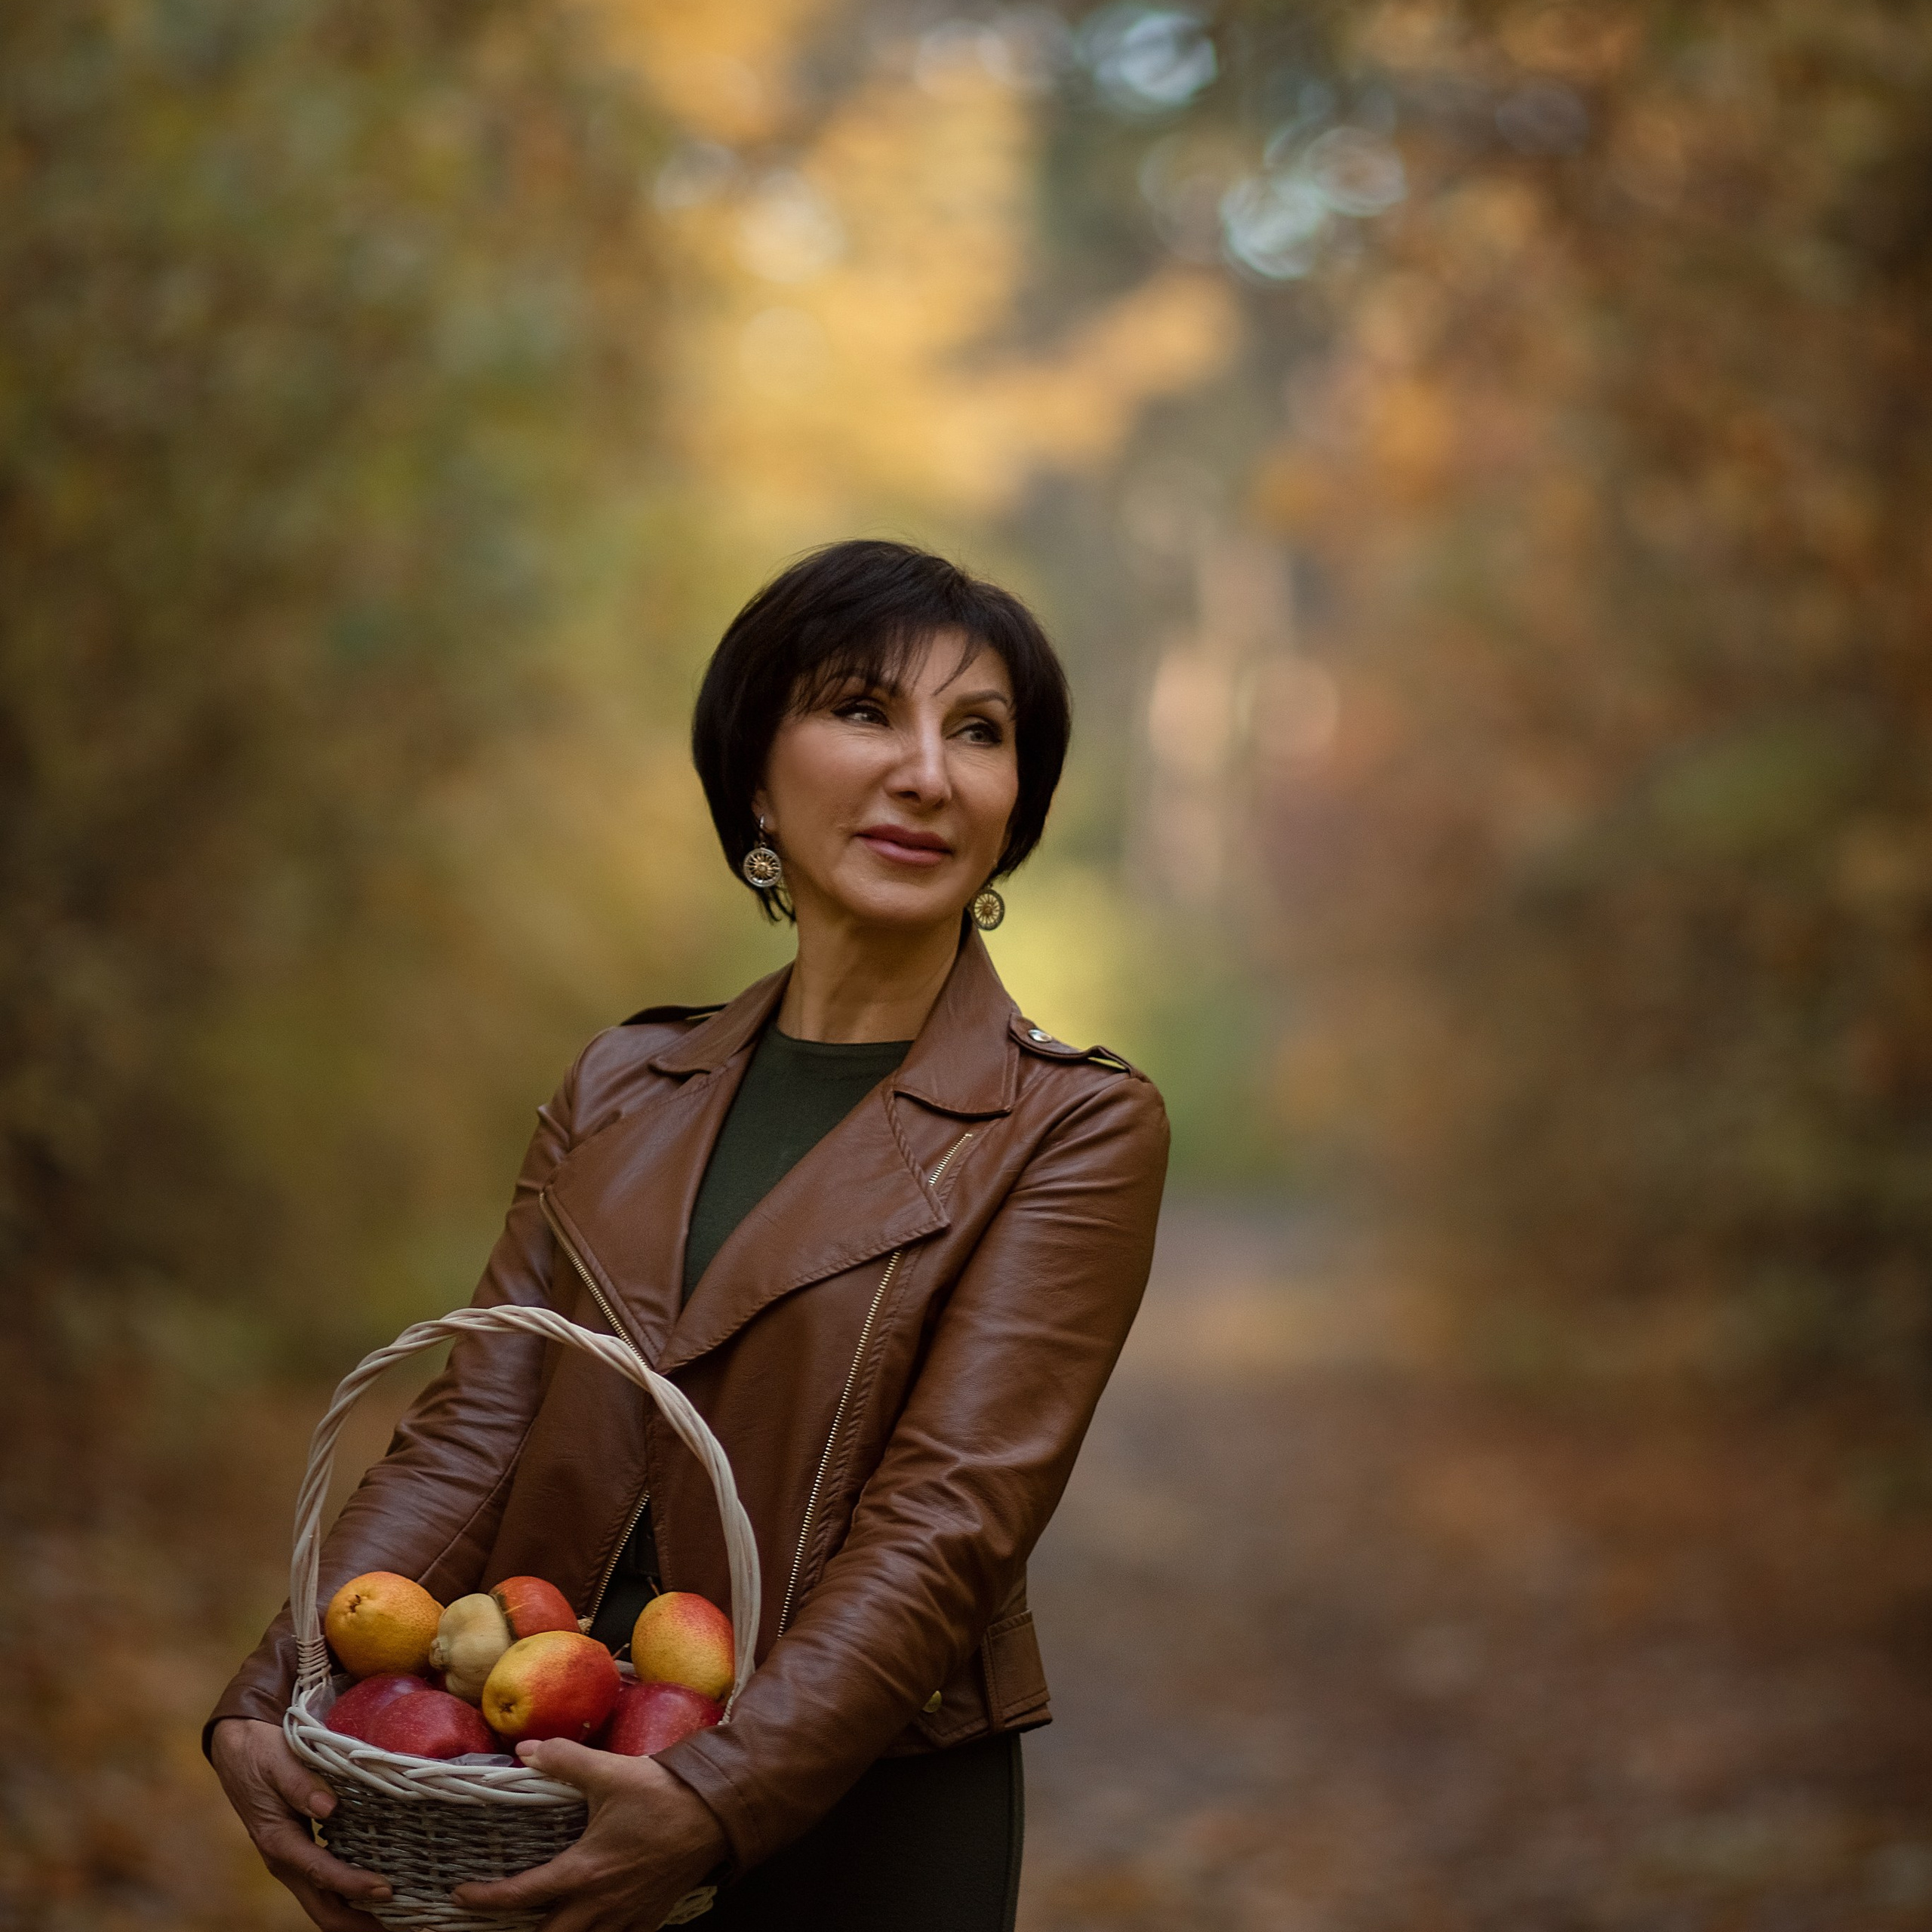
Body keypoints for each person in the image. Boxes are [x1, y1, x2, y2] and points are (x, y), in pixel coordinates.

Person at [206, 539, 1170, 1932]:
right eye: (862, 710)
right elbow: (471, 1438)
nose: (928, 772)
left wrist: (720, 1791)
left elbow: (946, 1524)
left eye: (980, 733)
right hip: (524, 1767)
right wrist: (275, 1694)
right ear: (756, 773)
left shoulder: (1071, 1126)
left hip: (867, 1811)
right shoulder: (619, 1084)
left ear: (1014, 807)